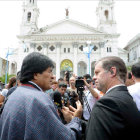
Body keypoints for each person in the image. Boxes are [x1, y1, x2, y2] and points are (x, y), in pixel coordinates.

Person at [0, 52, 82, 140]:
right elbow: (65, 137)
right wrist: (75, 120)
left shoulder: (14, 95)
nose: (52, 76)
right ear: (35, 74)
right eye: (50, 71)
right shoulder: (40, 99)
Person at [85, 56, 140, 140]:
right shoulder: (125, 96)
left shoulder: (106, 103)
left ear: (112, 71)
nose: (93, 77)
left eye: (97, 72)